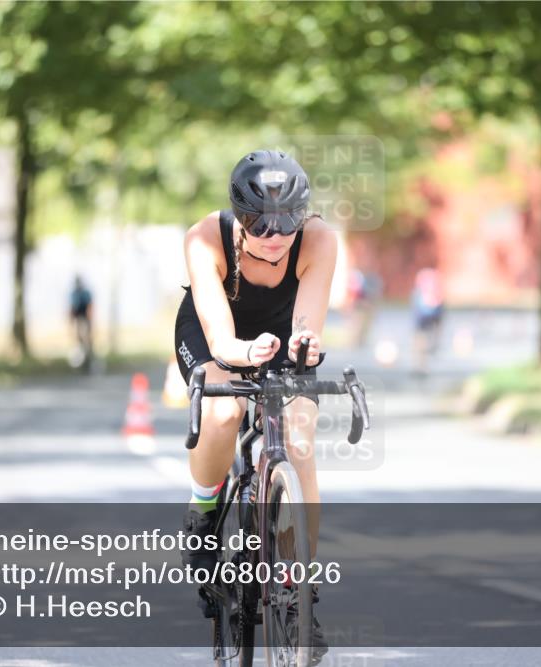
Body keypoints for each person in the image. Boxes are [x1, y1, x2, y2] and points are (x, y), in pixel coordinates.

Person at [174, 149, 336, 660]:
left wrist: (303, 346)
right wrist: (240, 353)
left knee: (300, 438)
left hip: (282, 336)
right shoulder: (204, 237)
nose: (273, 237)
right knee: (224, 411)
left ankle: (299, 594)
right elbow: (220, 336)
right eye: (257, 224)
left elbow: (308, 322)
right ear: (238, 216)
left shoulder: (321, 240)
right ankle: (203, 510)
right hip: (214, 332)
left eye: (286, 224)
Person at [411, 266, 444, 376]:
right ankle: (420, 367)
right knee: (421, 345)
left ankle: (421, 366)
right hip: (423, 324)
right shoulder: (422, 294)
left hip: (426, 323)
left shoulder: (428, 294)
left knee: (423, 345)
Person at [68, 275, 94, 371]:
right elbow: (72, 309)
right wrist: (71, 321)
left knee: (87, 341)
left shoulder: (85, 293)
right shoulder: (74, 293)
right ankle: (81, 363)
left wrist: (90, 321)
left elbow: (90, 307)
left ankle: (89, 362)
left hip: (85, 320)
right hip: (78, 320)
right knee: (79, 342)